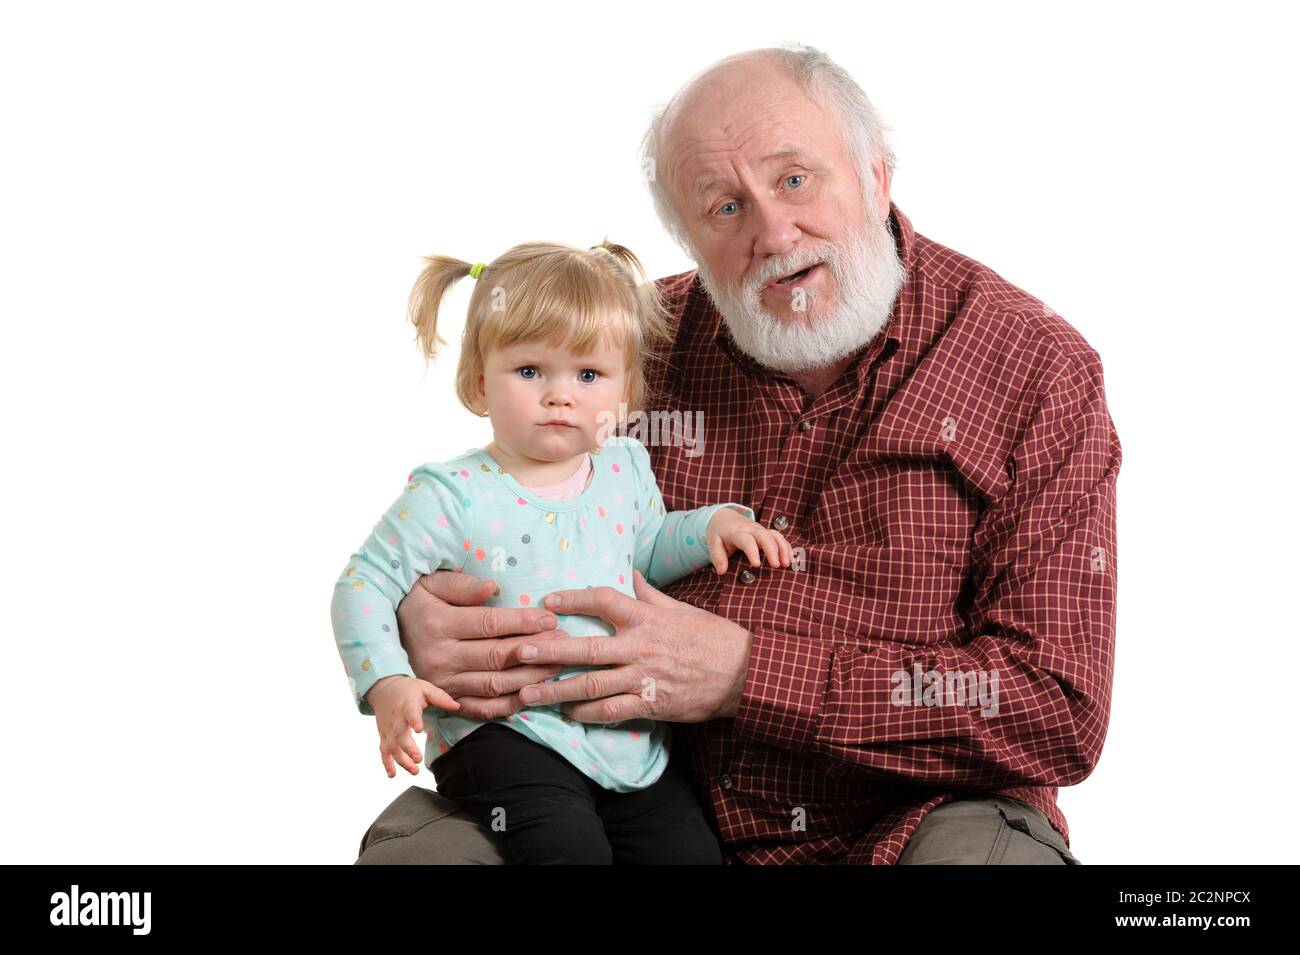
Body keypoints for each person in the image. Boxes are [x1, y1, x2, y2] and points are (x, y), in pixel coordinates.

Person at [356, 43, 1117, 865]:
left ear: (876, 173)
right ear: (686, 233)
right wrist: (417, 625)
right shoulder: (623, 348)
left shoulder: (1036, 366)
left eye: (795, 179)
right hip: (614, 799)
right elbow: (500, 507)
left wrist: (748, 673)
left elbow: (1056, 711)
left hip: (915, 823)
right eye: (723, 207)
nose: (773, 232)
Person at [332, 239, 793, 863]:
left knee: (689, 855)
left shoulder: (624, 468)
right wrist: (387, 680)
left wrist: (711, 526)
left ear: (624, 394)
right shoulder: (452, 494)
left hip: (622, 733)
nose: (560, 395)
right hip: (506, 731)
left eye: (587, 374)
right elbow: (364, 582)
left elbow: (646, 551)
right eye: (529, 372)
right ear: (477, 384)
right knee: (566, 847)